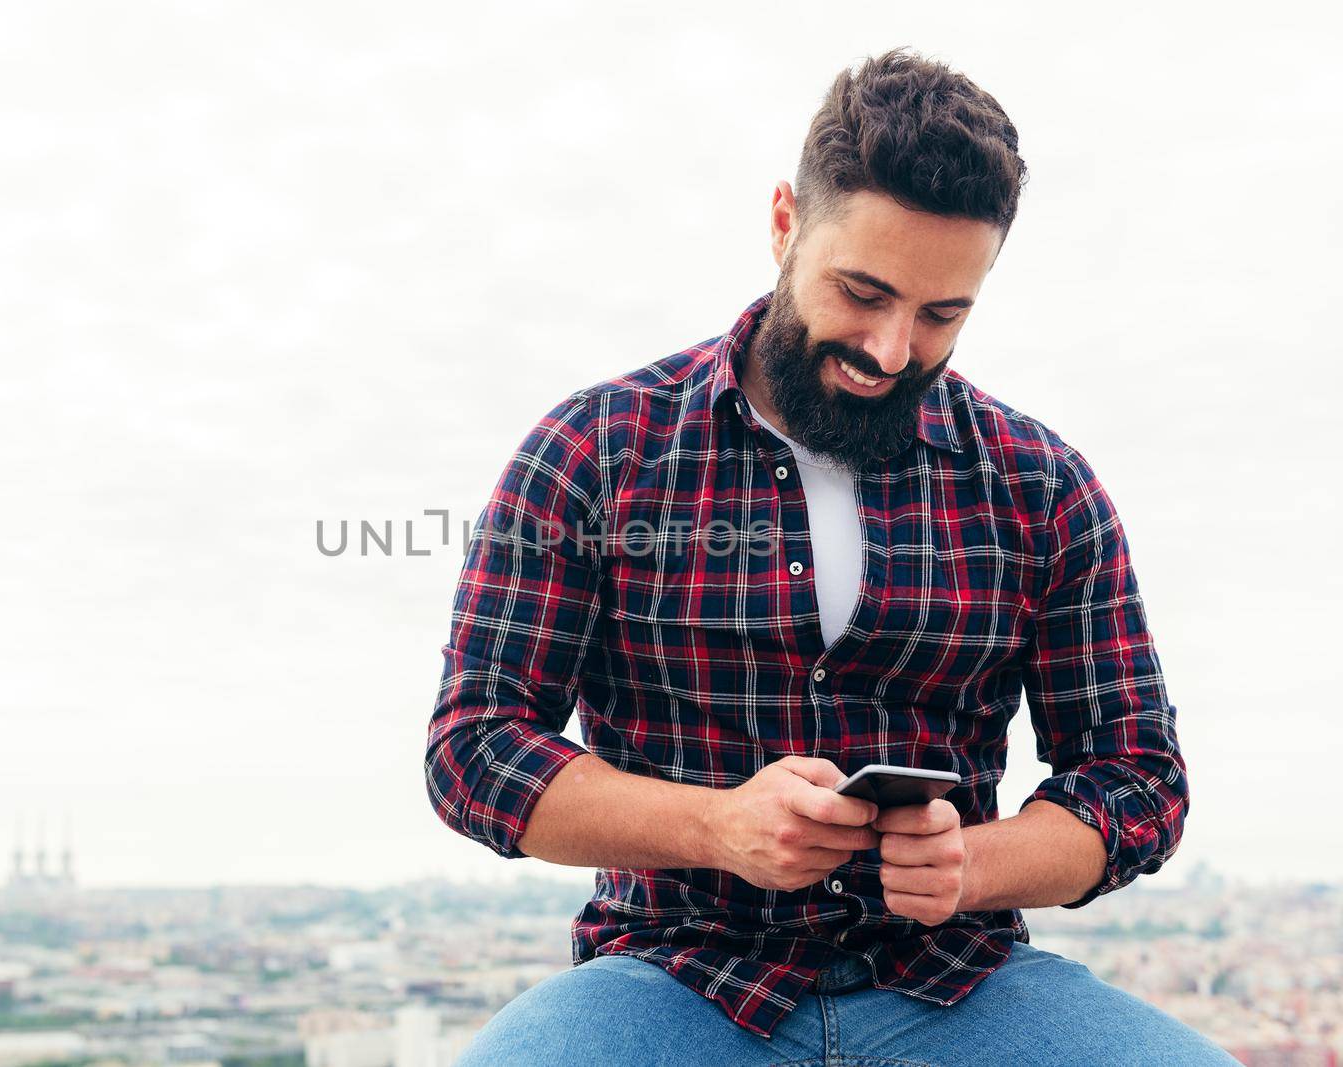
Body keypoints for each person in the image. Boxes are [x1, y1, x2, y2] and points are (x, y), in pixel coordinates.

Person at [424, 47, 1234, 1065]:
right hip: (672, 974)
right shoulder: (594, 451)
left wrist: (970, 867)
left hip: (961, 979)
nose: (892, 349)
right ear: (782, 224)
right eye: (862, 291)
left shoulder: (1041, 485)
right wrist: (718, 828)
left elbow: (1136, 778)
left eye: (942, 314)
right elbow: (475, 750)